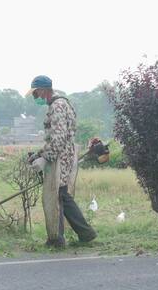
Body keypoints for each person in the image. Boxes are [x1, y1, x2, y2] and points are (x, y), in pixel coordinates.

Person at [26, 75, 97, 248]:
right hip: (63, 155)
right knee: (62, 195)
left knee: (56, 196)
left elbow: (58, 138)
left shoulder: (57, 106)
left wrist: (45, 158)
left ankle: (56, 240)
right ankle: (85, 234)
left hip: (60, 157)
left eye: (36, 93)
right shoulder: (61, 104)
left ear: (44, 90)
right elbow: (57, 138)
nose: (35, 97)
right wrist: (40, 153)